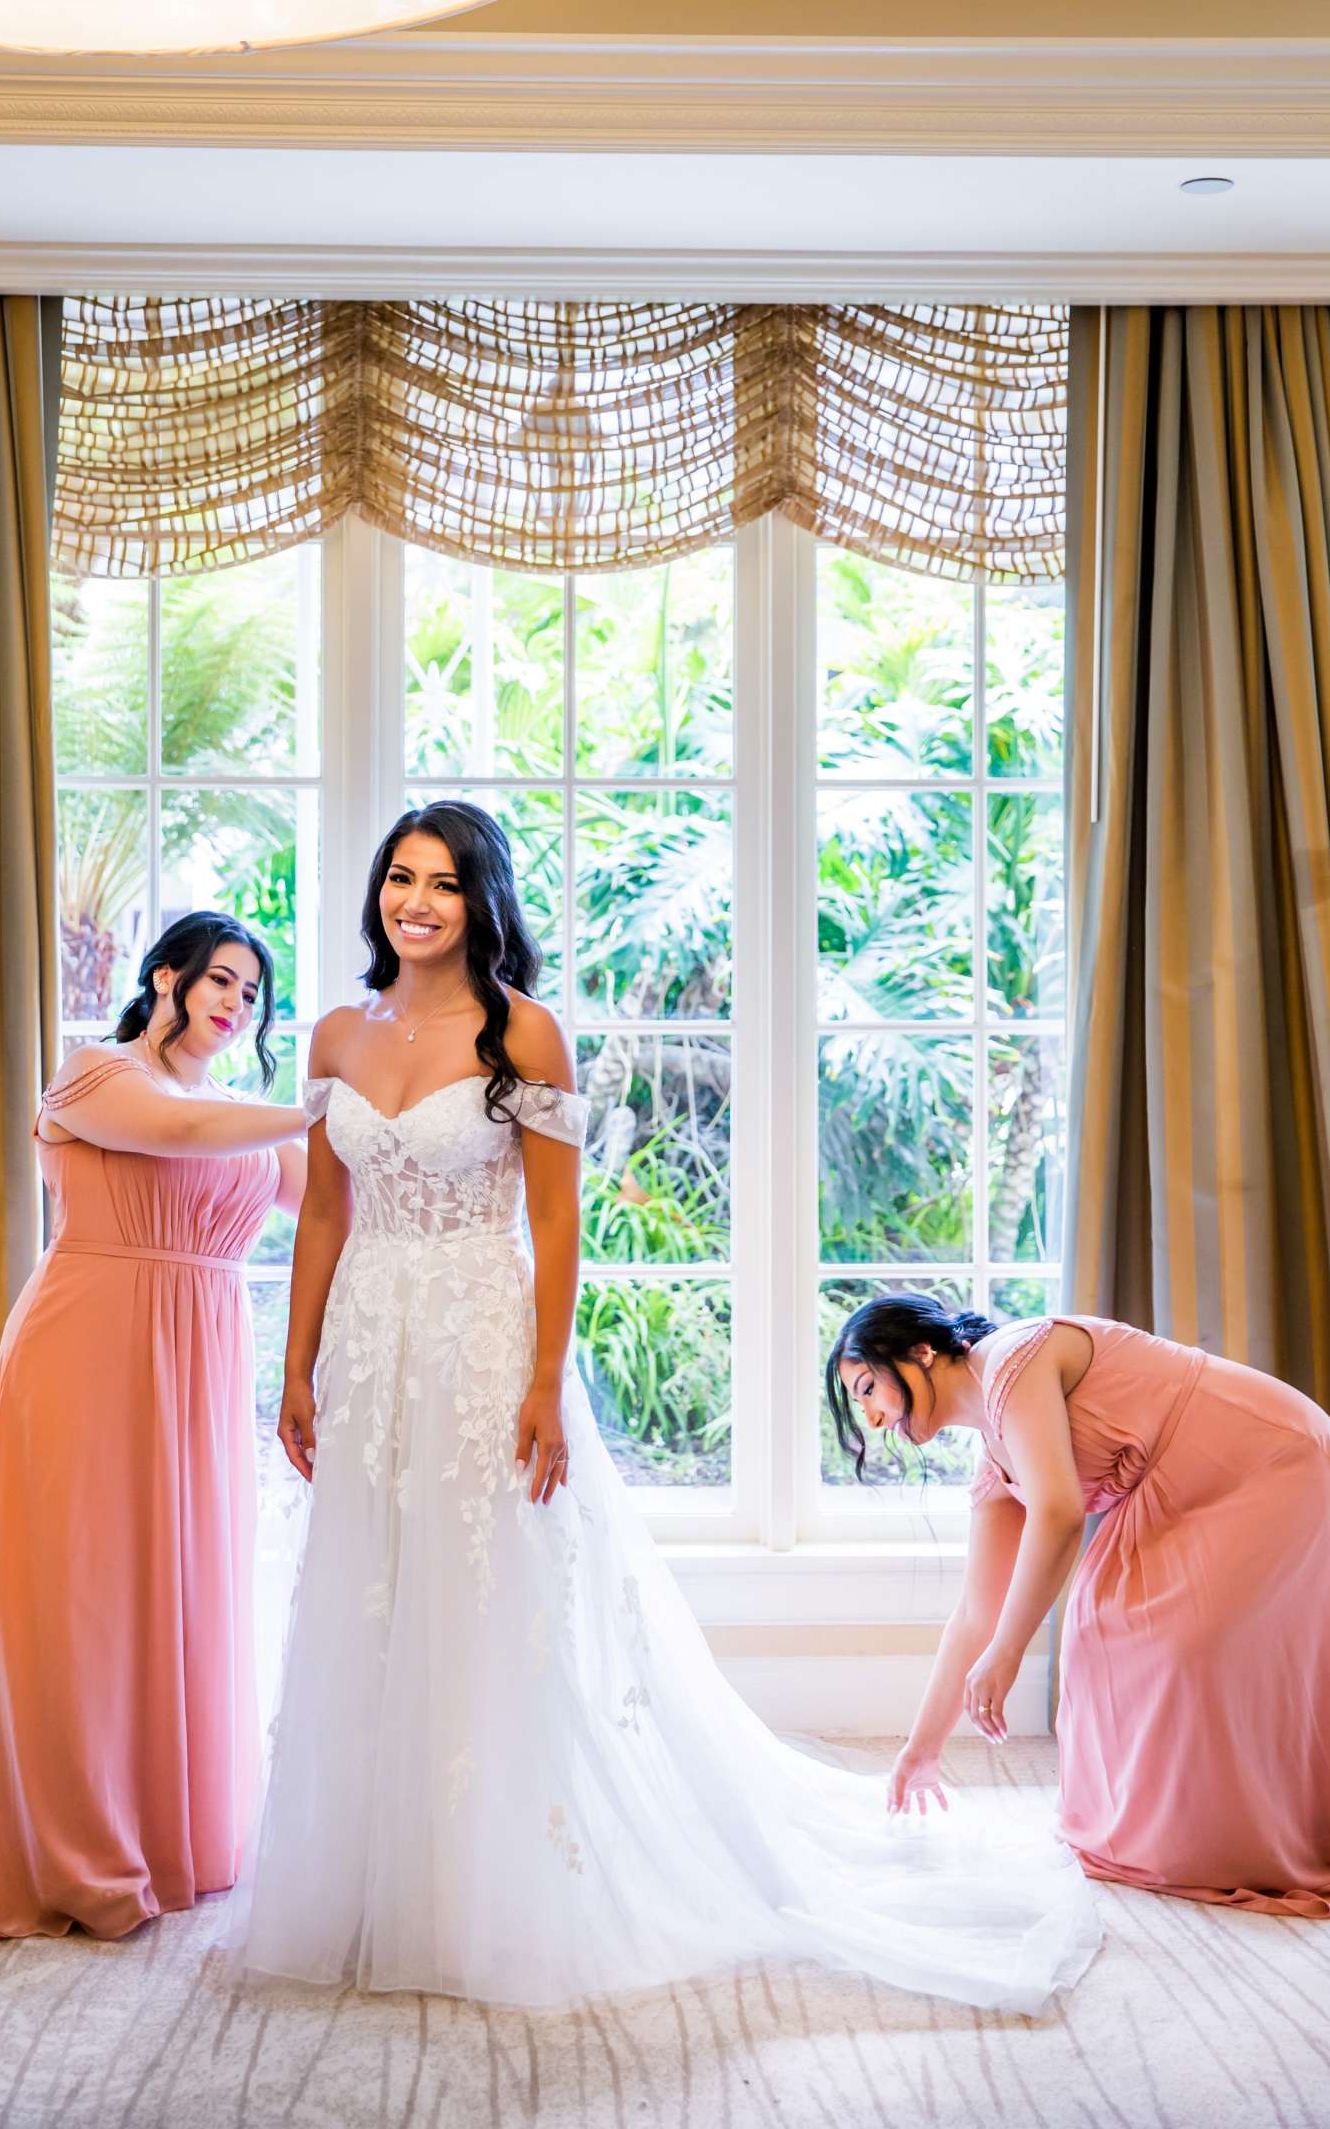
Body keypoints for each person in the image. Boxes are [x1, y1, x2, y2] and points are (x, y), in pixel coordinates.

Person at [222, 802, 1099, 2012]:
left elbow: (552, 1221)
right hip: (373, 1346)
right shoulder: (333, 1032)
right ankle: (375, 1882)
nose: (414, 902)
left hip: (484, 1342)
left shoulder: (524, 1035)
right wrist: (296, 1364)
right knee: (370, 1588)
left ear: (483, 901)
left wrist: (541, 1380)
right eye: (398, 879)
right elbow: (322, 1212)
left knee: (483, 1597)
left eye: (441, 883)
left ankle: (485, 1890)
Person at [0, 912, 308, 1940]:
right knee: (79, 1597)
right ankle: (66, 1844)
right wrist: (322, 1106)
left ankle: (172, 1837)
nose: (236, 1004)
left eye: (253, 994)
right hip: (88, 1345)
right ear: (167, 977)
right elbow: (177, 1133)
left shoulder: (240, 1112)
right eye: (223, 980)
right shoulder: (94, 1075)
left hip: (198, 1356)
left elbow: (324, 1197)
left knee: (181, 1587)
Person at [829, 1295, 1330, 1916]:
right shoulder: (996, 1466)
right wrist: (923, 1751)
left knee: (1185, 1644)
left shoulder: (1012, 1358)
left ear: (920, 1352)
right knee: (1102, 1629)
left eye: (867, 1389)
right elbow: (975, 1612)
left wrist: (1009, 1651)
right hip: (1185, 1490)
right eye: (859, 1406)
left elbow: (1059, 1513)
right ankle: (1188, 1835)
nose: (872, 1418)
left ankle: (1271, 1835)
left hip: (1271, 1457)